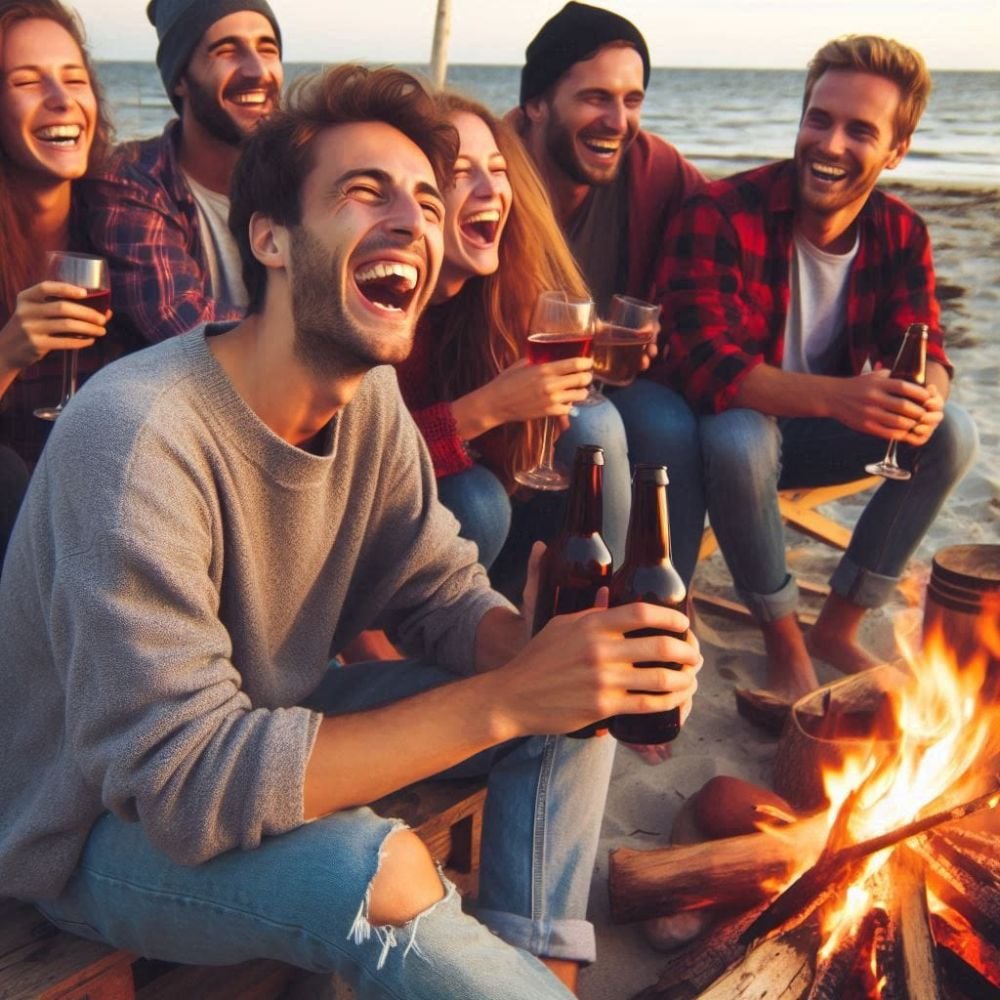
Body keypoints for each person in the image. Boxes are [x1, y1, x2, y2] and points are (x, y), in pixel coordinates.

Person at [0, 65, 701, 998]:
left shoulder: (366, 399)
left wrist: (534, 647)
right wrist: (511, 697)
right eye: (363, 191)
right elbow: (184, 783)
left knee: (583, 693)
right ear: (272, 239)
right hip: (94, 822)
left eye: (424, 199)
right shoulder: (138, 435)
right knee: (380, 874)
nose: (413, 221)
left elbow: (432, 585)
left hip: (261, 725)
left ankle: (542, 963)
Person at [655, 35, 978, 702]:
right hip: (724, 440)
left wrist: (924, 396)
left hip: (816, 438)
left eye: (860, 131)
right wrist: (841, 398)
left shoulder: (902, 232)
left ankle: (839, 623)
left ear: (896, 151)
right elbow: (703, 365)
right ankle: (785, 644)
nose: (830, 145)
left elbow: (925, 346)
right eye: (819, 119)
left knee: (953, 432)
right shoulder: (719, 212)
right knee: (738, 436)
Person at [395, 92, 631, 574]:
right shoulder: (382, 310)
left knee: (590, 423)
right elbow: (358, 471)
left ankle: (606, 600)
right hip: (375, 533)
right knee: (477, 500)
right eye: (459, 174)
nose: (489, 189)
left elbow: (514, 467)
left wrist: (530, 418)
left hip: (480, 523)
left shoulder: (498, 298)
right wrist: (491, 407)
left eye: (498, 169)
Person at [513, 1, 707, 585]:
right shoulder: (488, 172)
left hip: (606, 381)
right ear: (537, 103)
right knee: (597, 429)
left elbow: (728, 230)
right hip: (509, 389)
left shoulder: (653, 170)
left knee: (668, 420)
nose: (618, 121)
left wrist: (659, 338)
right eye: (596, 97)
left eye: (632, 100)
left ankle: (668, 602)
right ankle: (604, 615)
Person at [81, 0, 283, 351]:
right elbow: (182, 325)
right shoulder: (134, 180)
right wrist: (313, 335)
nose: (256, 71)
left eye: (268, 50)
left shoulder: (301, 176)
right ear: (180, 81)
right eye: (226, 51)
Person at [0, 0, 113, 556]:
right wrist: (7, 353)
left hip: (113, 507)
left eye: (75, 79)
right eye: (26, 81)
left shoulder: (122, 222)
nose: (61, 99)